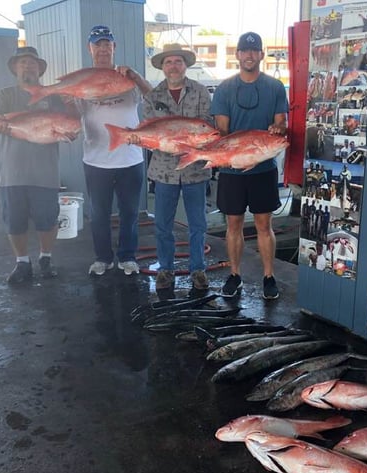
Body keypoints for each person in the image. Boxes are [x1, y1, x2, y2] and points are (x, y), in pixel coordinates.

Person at [210, 31, 288, 300]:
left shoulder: (276, 87)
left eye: (254, 51)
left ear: (261, 55)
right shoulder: (224, 89)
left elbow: (281, 124)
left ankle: (269, 276)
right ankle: (234, 274)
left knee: (264, 225)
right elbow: (221, 130)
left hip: (263, 168)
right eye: (245, 50)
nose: (249, 55)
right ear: (238, 55)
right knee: (233, 224)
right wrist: (233, 154)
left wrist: (277, 129)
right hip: (232, 167)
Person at [134, 43, 213, 296]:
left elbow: (208, 128)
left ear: (185, 65)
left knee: (198, 224)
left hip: (195, 169)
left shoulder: (201, 92)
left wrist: (188, 141)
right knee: (163, 225)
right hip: (163, 170)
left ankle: (198, 269)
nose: (173, 66)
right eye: (168, 62)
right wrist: (140, 138)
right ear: (162, 67)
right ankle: (165, 269)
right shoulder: (152, 95)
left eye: (178, 61)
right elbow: (148, 128)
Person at [78, 26, 153, 276]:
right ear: (90, 48)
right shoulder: (83, 79)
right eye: (97, 44)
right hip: (95, 159)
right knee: (98, 213)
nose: (102, 49)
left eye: (106, 44)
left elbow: (152, 96)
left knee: (129, 212)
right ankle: (102, 257)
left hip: (130, 159)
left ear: (114, 48)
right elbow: (72, 114)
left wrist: (136, 76)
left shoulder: (127, 78)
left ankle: (128, 256)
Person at [0, 46, 68, 285]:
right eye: (23, 62)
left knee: (48, 219)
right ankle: (22, 262)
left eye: (33, 63)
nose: (28, 66)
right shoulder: (4, 95)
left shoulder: (53, 96)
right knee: (14, 220)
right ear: (15, 67)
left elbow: (68, 125)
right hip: (11, 172)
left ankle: (45, 258)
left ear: (40, 69)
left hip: (45, 172)